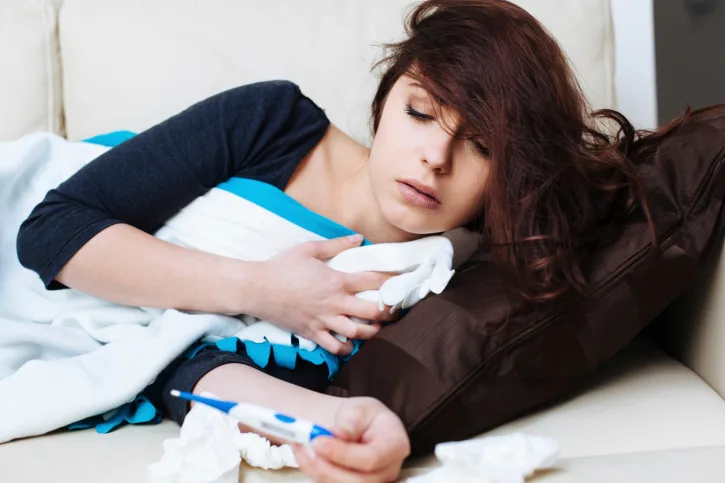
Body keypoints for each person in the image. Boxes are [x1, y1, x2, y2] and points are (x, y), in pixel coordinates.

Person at [14, 0, 680, 481]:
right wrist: (264, 289)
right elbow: (51, 230)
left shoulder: (425, 275)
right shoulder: (272, 122)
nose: (433, 158)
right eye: (420, 113)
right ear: (386, 99)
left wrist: (346, 420)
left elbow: (184, 362)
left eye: (479, 146)